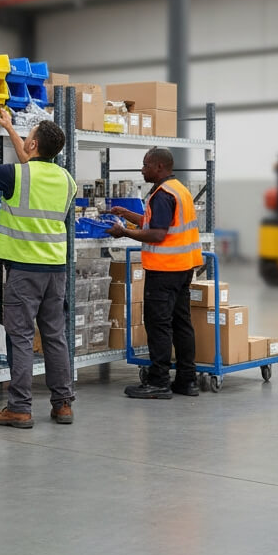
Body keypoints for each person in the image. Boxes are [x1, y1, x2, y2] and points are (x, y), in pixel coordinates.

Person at [0, 112, 77, 427]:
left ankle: (20, 407)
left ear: (34, 143)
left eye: (28, 134)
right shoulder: (67, 179)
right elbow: (31, 160)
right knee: (54, 336)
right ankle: (63, 404)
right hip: (56, 268)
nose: (25, 139)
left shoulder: (17, 175)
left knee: (21, 337)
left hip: (25, 269)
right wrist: (10, 126)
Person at [108, 147, 204, 399]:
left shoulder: (162, 194)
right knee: (182, 324)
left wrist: (124, 232)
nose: (143, 169)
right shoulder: (179, 189)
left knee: (159, 326)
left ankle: (159, 381)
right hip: (183, 268)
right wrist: (130, 216)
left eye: (146, 165)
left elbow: (158, 234)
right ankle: (187, 380)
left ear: (159, 167)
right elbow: (160, 224)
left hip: (164, 270)